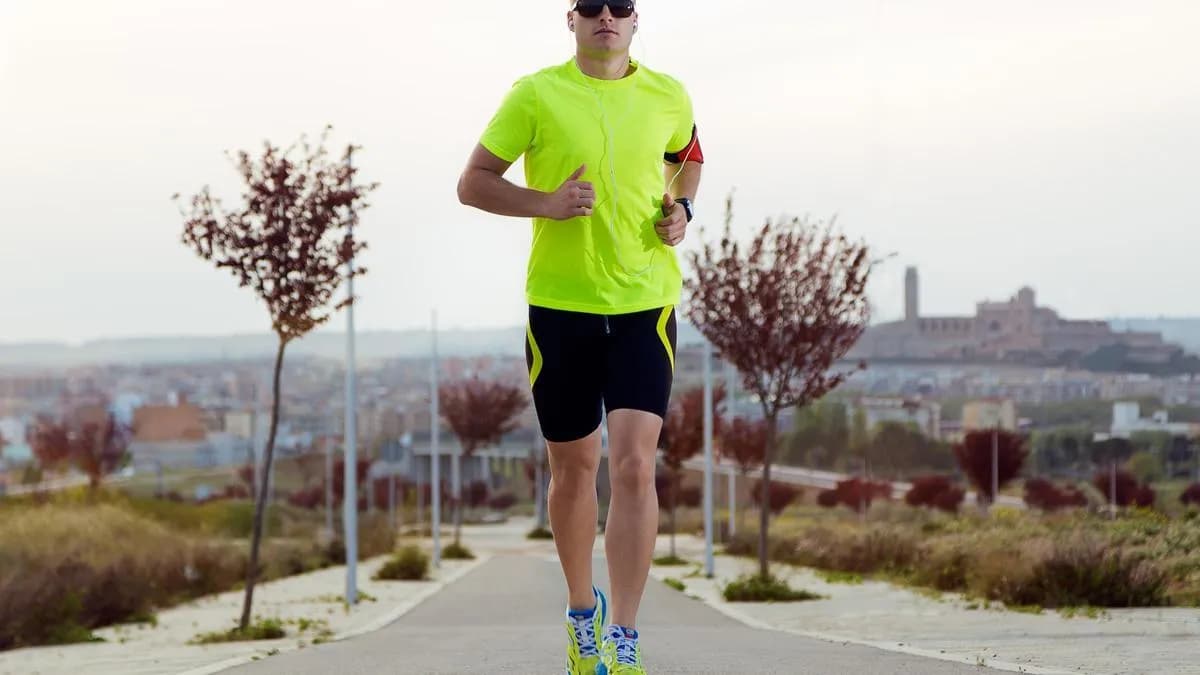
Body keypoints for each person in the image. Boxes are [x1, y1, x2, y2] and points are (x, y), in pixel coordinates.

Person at [457, 1, 703, 672]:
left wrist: (682, 208)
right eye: (590, 5)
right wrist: (545, 204)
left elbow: (688, 160)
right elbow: (472, 183)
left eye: (618, 5)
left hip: (643, 304)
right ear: (571, 20)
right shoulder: (535, 93)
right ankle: (580, 611)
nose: (605, 15)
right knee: (575, 469)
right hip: (560, 308)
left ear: (633, 19)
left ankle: (624, 633)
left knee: (633, 463)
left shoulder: (667, 94)